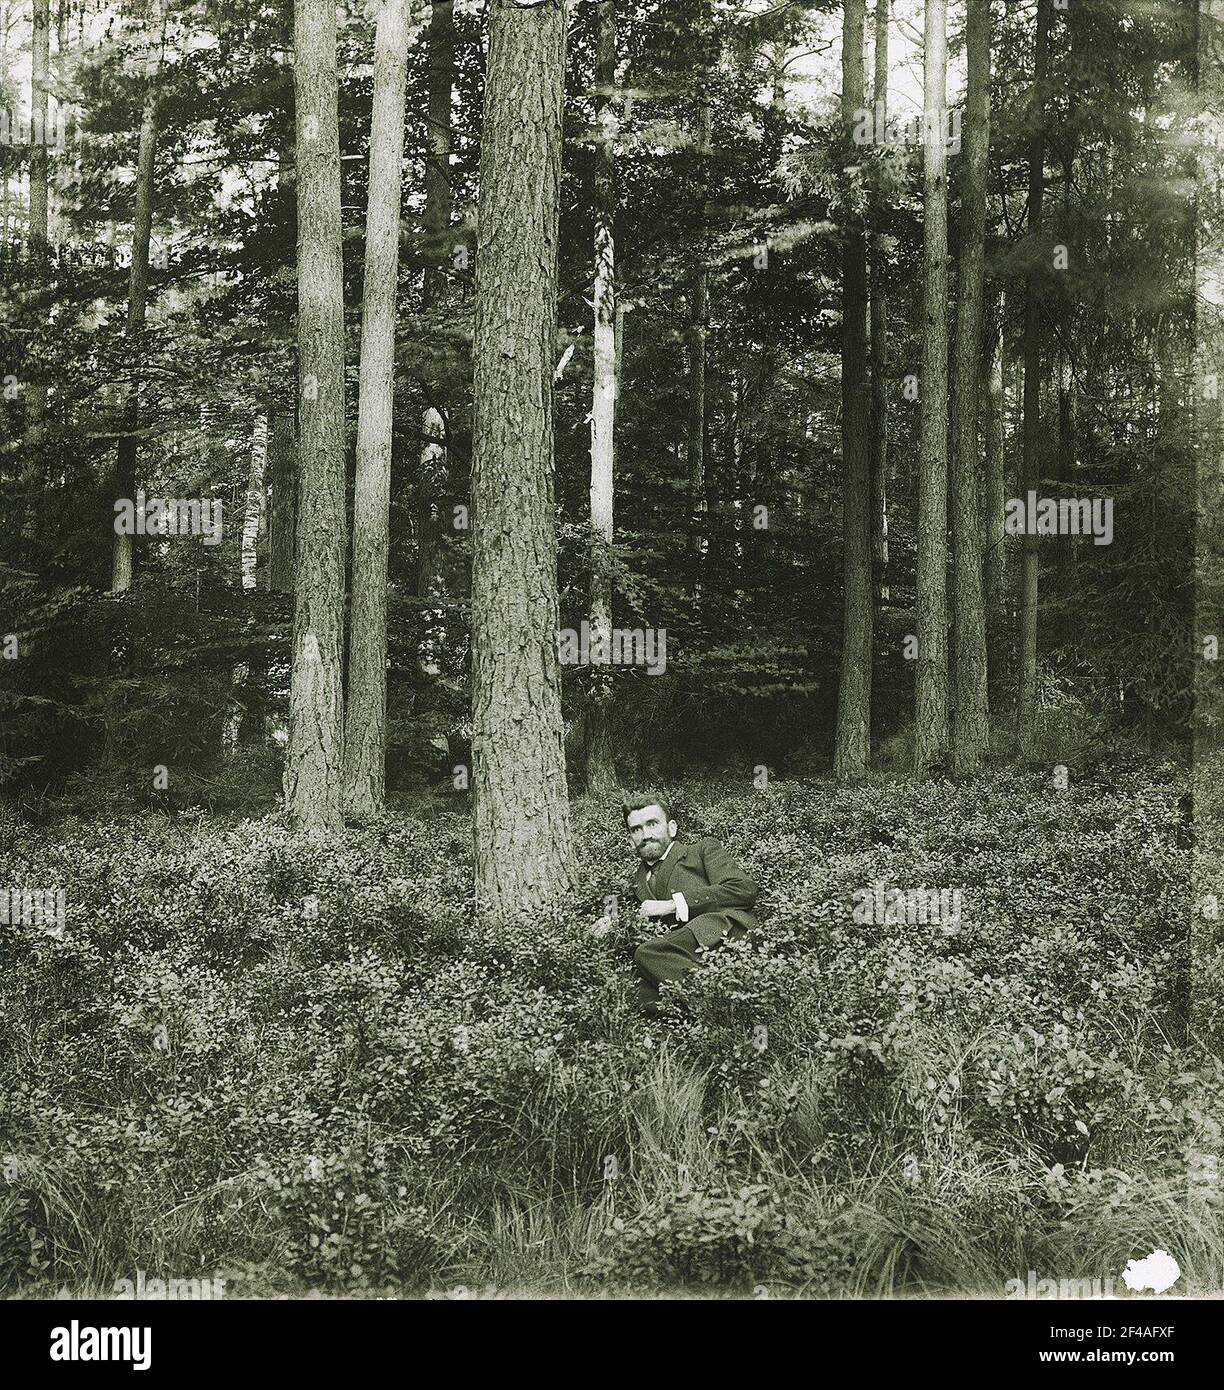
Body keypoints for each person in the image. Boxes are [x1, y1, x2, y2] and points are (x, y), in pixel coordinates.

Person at [591, 796, 758, 1017]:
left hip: (723, 935)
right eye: (636, 829)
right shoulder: (636, 882)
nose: (645, 835)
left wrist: (673, 905)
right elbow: (637, 914)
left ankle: (720, 1010)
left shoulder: (702, 850)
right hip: (680, 957)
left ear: (672, 827)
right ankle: (718, 1003)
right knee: (626, 988)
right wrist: (613, 920)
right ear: (630, 838)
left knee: (647, 953)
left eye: (652, 824)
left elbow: (744, 889)